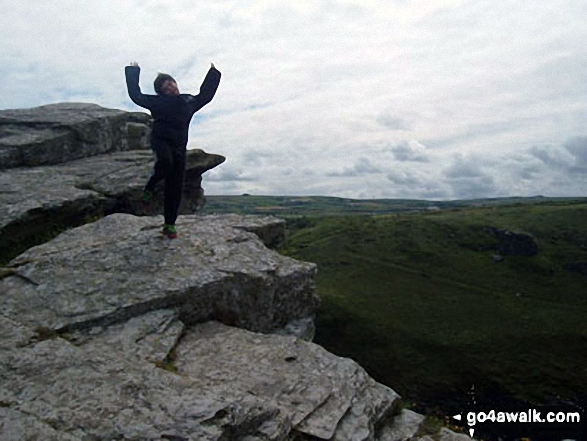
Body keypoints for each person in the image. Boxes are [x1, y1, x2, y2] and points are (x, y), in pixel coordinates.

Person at [125, 61, 221, 239]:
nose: (169, 84)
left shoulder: (188, 101)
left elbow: (205, 95)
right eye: (164, 84)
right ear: (160, 90)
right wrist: (133, 72)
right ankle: (150, 186)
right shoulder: (157, 101)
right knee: (166, 163)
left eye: (171, 81)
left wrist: (213, 74)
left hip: (179, 147)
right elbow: (136, 95)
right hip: (161, 141)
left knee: (175, 187)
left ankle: (169, 225)